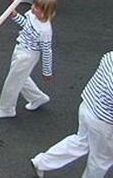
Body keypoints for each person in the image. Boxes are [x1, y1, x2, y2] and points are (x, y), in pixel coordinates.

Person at [31, 49, 113, 177]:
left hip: (88, 105)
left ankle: (42, 162)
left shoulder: (110, 56)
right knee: (101, 160)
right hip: (105, 121)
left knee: (80, 141)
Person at [0, 0, 56, 120]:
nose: (32, 8)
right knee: (20, 77)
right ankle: (37, 97)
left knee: (13, 80)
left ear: (44, 12)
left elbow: (47, 51)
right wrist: (15, 16)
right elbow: (26, 25)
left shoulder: (45, 31)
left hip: (28, 55)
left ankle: (6, 108)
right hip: (21, 48)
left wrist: (47, 71)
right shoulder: (32, 16)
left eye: (36, 7)